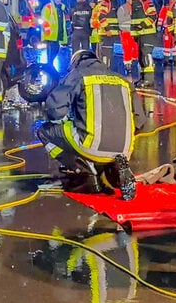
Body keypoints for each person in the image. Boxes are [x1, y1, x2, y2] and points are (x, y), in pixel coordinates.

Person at [36, 49, 138, 198]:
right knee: (102, 134)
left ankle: (84, 171)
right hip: (125, 148)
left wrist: (65, 122)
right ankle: (111, 166)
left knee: (44, 131)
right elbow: (140, 120)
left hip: (91, 144)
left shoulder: (78, 75)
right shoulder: (122, 80)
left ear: (76, 62)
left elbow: (55, 108)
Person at [124, 0, 157, 82]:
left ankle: (149, 79)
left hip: (147, 33)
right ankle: (143, 78)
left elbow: (152, 15)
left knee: (147, 55)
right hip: (139, 35)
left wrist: (141, 25)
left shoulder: (146, 0)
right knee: (141, 57)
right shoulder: (135, 3)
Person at [90, 0, 119, 69]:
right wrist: (107, 29)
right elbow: (102, 16)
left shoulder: (110, 3)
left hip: (108, 33)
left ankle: (105, 70)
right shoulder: (106, 3)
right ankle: (105, 71)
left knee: (106, 53)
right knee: (106, 54)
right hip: (106, 34)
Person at [41, 0, 69, 70]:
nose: (58, 0)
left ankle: (50, 65)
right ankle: (49, 66)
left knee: (56, 50)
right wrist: (47, 31)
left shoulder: (62, 8)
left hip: (58, 33)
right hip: (51, 34)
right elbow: (44, 20)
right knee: (51, 51)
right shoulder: (48, 7)